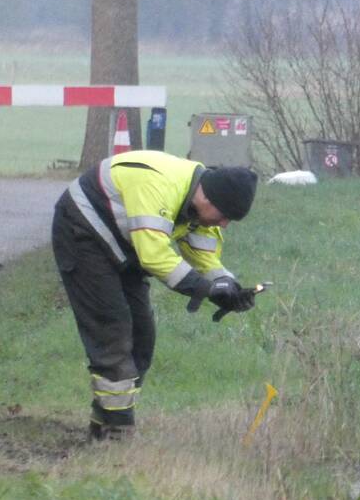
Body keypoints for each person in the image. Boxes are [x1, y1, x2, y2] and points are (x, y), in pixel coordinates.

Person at [52, 150, 258, 441]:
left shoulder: (203, 204)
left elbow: (204, 257)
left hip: (124, 244)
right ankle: (117, 430)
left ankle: (106, 418)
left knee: (142, 335)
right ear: (209, 199)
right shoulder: (159, 187)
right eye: (225, 217)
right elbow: (153, 256)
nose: (224, 224)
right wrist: (204, 289)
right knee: (113, 329)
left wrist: (227, 287)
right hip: (82, 230)